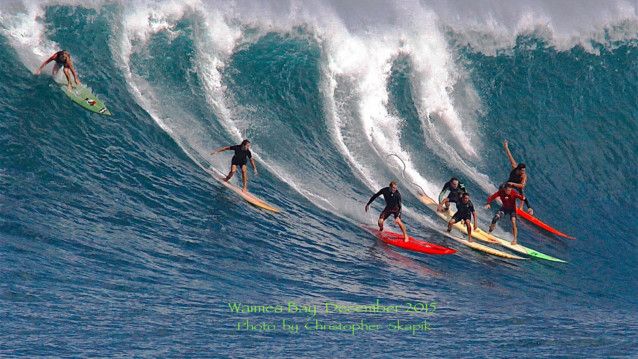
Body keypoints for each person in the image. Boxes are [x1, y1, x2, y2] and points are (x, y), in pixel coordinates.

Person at [503, 139, 533, 214]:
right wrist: (506, 147)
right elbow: (509, 156)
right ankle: (503, 198)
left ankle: (524, 207)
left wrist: (513, 184)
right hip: (510, 182)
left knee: (522, 193)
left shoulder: (524, 176)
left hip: (517, 185)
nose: (524, 172)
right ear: (518, 169)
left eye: (524, 170)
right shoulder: (514, 166)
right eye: (522, 171)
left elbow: (522, 185)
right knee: (503, 187)